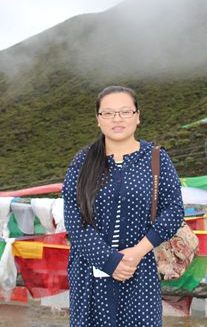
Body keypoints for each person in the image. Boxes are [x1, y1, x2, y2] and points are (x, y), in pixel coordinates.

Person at [62, 86, 185, 326]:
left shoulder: (156, 159)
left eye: (125, 112)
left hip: (139, 270)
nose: (117, 119)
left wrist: (136, 253)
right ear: (98, 119)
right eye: (108, 113)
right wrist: (109, 261)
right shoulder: (83, 161)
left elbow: (173, 211)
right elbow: (75, 221)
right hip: (89, 272)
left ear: (137, 116)